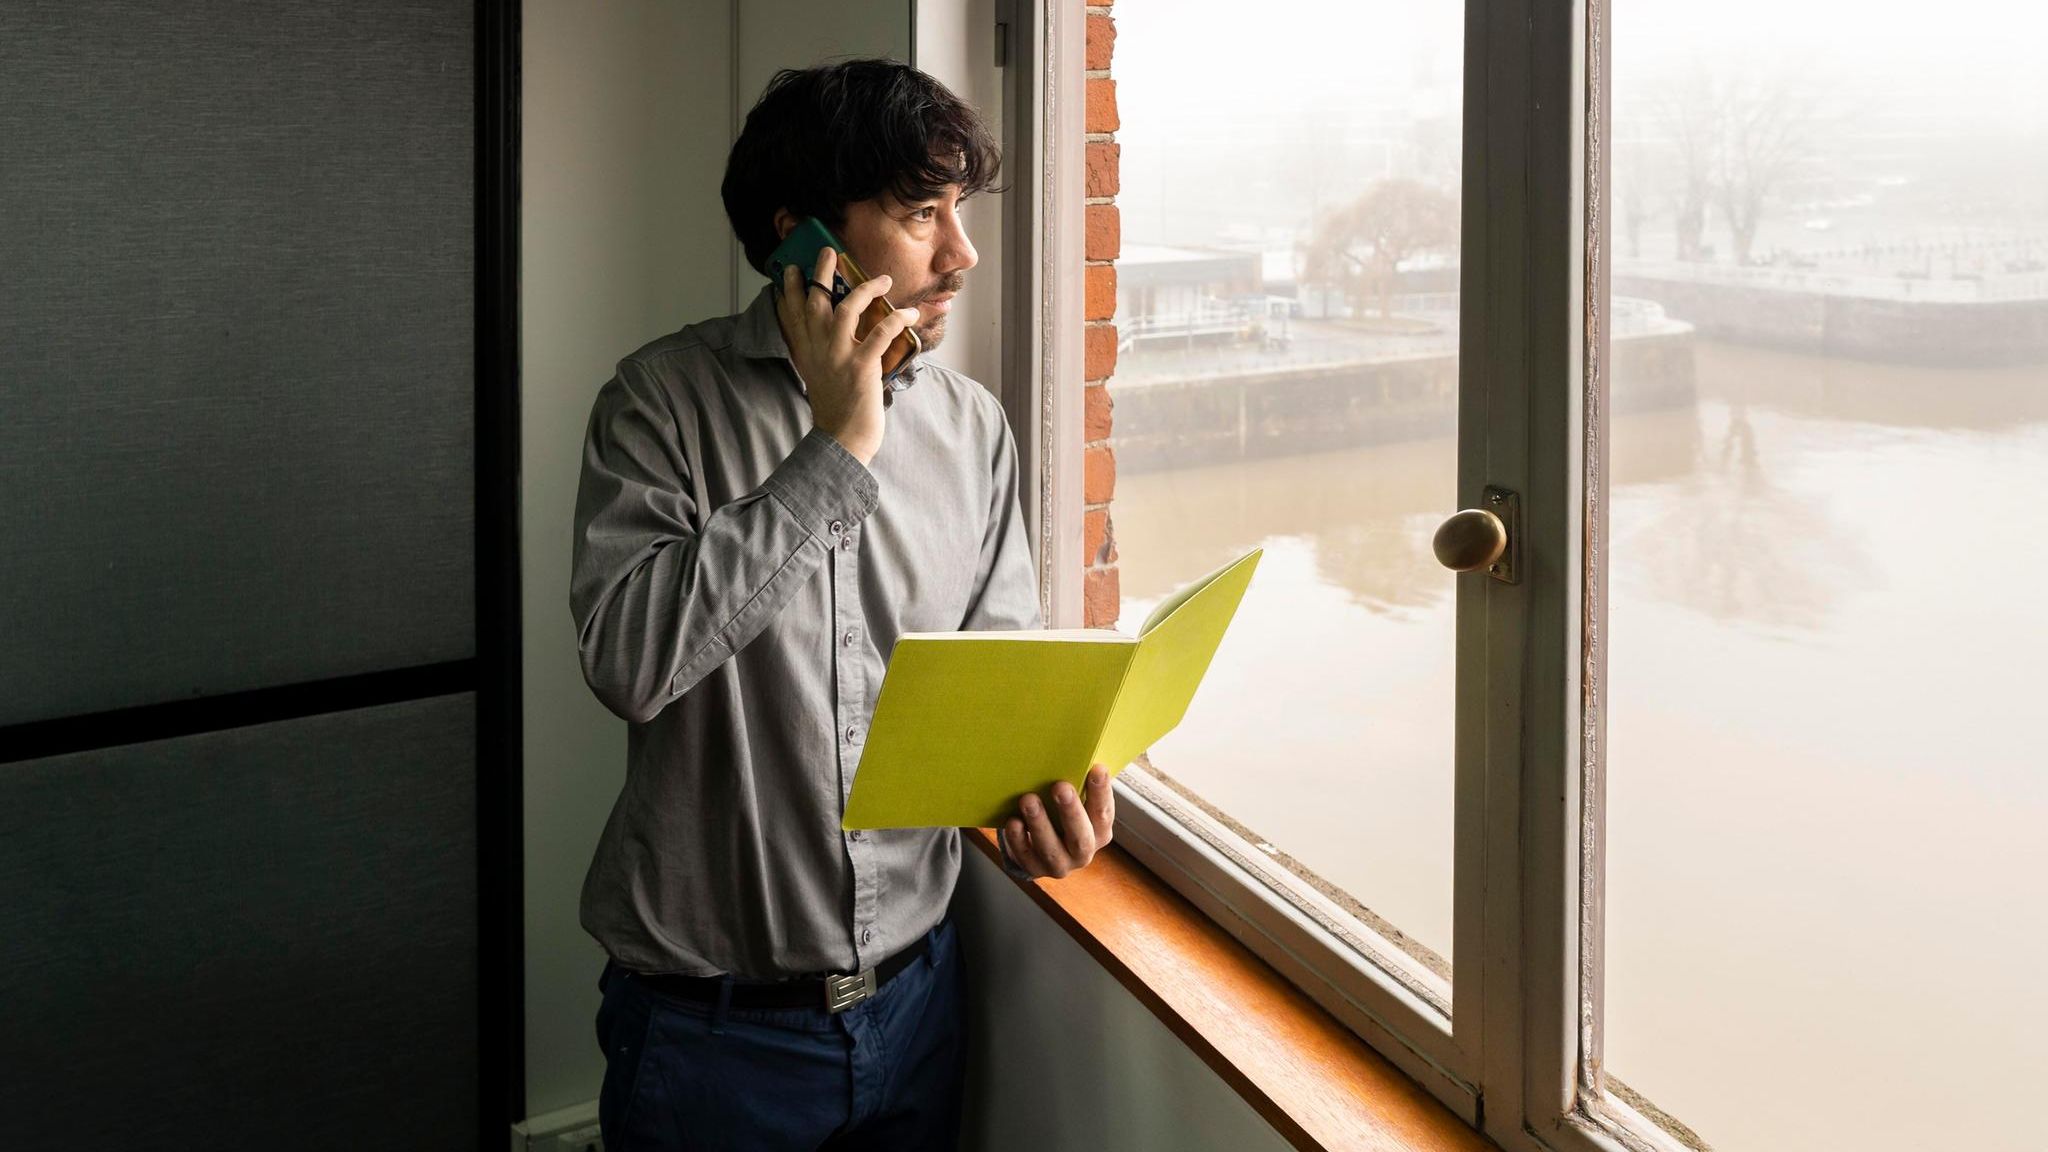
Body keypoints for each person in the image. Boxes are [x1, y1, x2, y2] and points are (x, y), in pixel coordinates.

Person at [568, 58, 1116, 1151]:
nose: (959, 252)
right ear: (801, 238)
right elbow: (628, 664)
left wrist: (1043, 805)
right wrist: (835, 448)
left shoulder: (971, 428)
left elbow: (994, 691)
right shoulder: (658, 403)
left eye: (957, 210)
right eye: (920, 214)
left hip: (920, 1005)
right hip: (710, 1038)